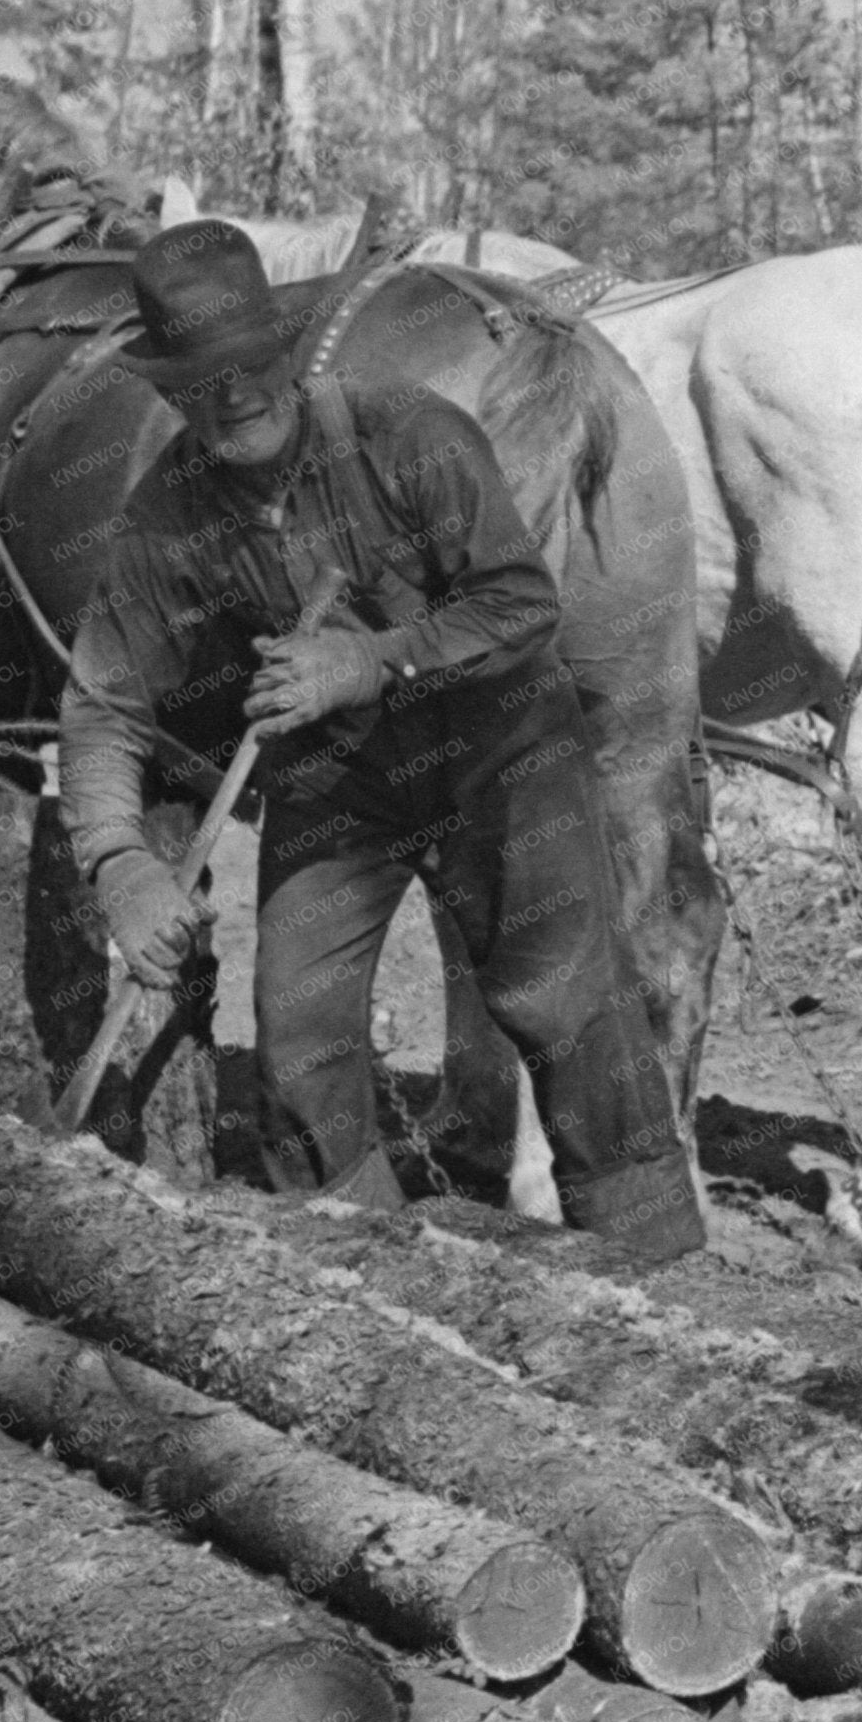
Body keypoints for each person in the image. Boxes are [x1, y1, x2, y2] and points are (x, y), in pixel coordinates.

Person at [57, 219, 703, 1260]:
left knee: (571, 1009)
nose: (236, 396)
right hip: (338, 783)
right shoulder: (166, 519)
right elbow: (102, 708)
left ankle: (666, 1272)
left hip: (498, 754)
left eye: (253, 366)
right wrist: (121, 862)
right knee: (298, 1051)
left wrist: (375, 659)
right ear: (171, 390)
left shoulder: (413, 436)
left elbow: (519, 606)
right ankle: (376, 1294)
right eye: (204, 380)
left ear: (288, 350)